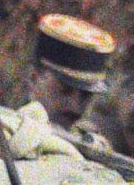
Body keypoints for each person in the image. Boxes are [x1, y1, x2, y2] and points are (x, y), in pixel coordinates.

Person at [24, 13, 117, 150]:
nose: (75, 107)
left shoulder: (93, 148)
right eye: (65, 90)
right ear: (34, 79)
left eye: (86, 95)